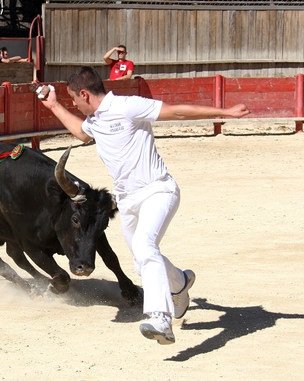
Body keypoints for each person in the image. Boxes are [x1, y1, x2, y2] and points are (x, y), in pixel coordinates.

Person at [38, 66, 250, 345]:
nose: (74, 104)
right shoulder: (95, 119)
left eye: (73, 99)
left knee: (146, 247)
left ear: (85, 94)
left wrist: (224, 113)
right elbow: (82, 133)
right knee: (141, 259)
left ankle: (160, 317)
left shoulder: (127, 106)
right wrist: (53, 105)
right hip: (127, 201)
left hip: (157, 190)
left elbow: (176, 111)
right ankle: (179, 283)